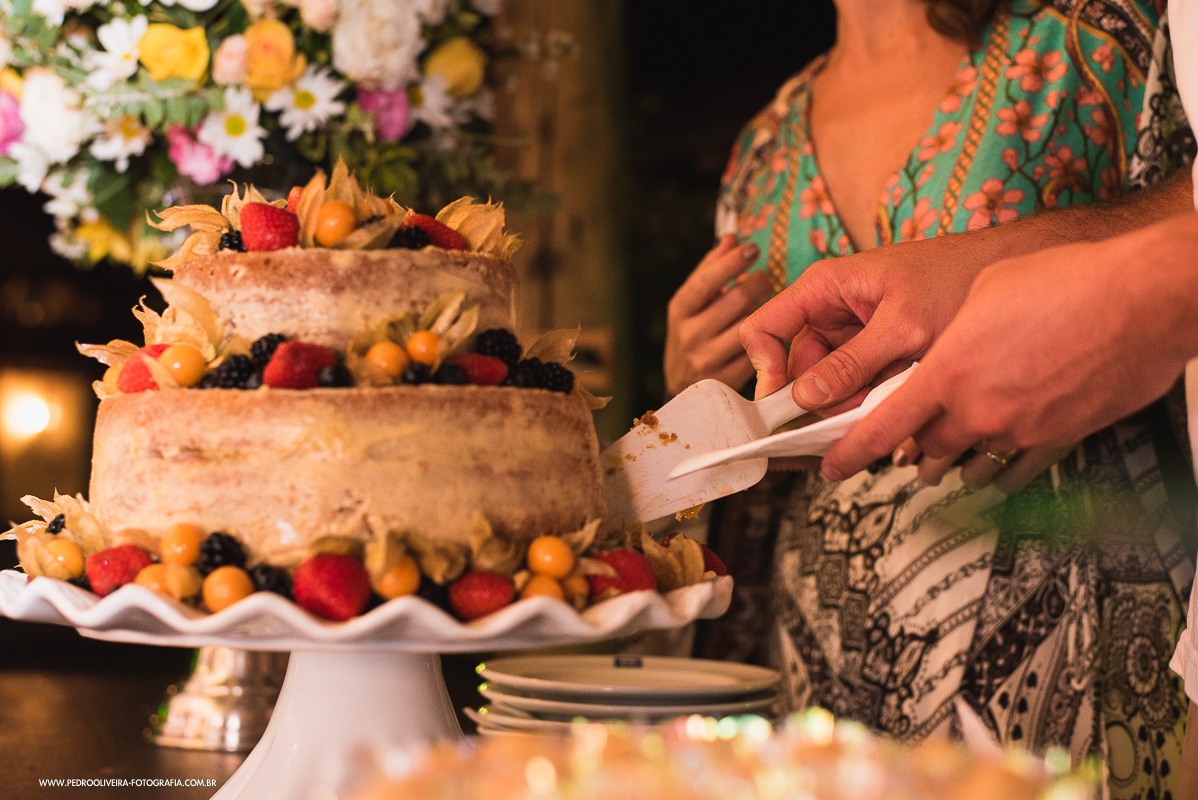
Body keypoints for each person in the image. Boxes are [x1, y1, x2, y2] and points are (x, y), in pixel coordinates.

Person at [668, 0, 1196, 792]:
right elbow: (767, 454)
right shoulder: (765, 142)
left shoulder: (1100, 36)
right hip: (819, 686)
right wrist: (695, 392)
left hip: (1073, 652)